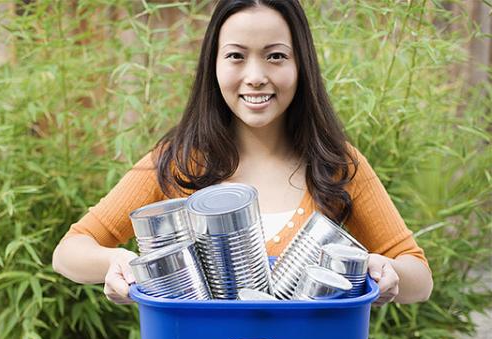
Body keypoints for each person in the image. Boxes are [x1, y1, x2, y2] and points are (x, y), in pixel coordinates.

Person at [52, 0, 433, 306]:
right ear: (213, 65)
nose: (255, 75)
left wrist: (382, 270)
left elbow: (419, 277)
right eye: (236, 56)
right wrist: (117, 262)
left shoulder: (335, 165)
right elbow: (70, 250)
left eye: (276, 56)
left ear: (301, 65)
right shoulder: (177, 161)